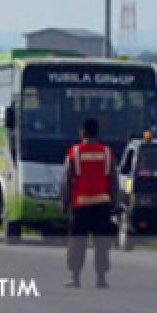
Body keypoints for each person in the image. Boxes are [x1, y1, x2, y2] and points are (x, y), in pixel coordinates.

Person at [61, 117, 118, 289]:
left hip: (80, 206)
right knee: (102, 244)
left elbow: (65, 181)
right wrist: (114, 204)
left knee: (77, 242)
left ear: (83, 132)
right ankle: (101, 278)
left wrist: (65, 203)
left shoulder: (75, 153)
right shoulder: (107, 153)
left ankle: (75, 277)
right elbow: (114, 181)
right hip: (102, 206)